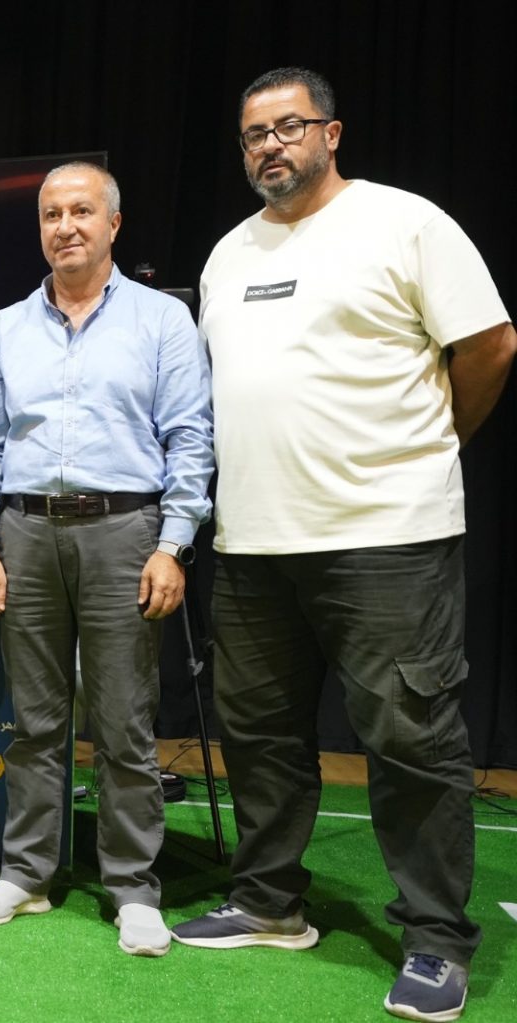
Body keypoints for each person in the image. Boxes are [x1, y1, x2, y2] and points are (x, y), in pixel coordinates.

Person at [170, 68, 516, 1022]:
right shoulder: (229, 253)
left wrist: (431, 447)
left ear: (331, 133)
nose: (269, 146)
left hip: (387, 536)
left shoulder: (406, 223)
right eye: (253, 135)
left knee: (411, 738)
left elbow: (490, 345)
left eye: (288, 127)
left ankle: (436, 939)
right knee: (259, 734)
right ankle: (268, 902)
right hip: (253, 541)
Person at [0, 162, 213, 956]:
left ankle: (132, 886)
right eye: (51, 214)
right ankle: (27, 873)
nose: (65, 226)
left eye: (81, 211)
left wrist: (173, 545)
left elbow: (190, 437)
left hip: (124, 530)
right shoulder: (7, 328)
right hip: (25, 532)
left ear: (113, 224)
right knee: (34, 720)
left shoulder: (163, 321)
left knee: (124, 721)